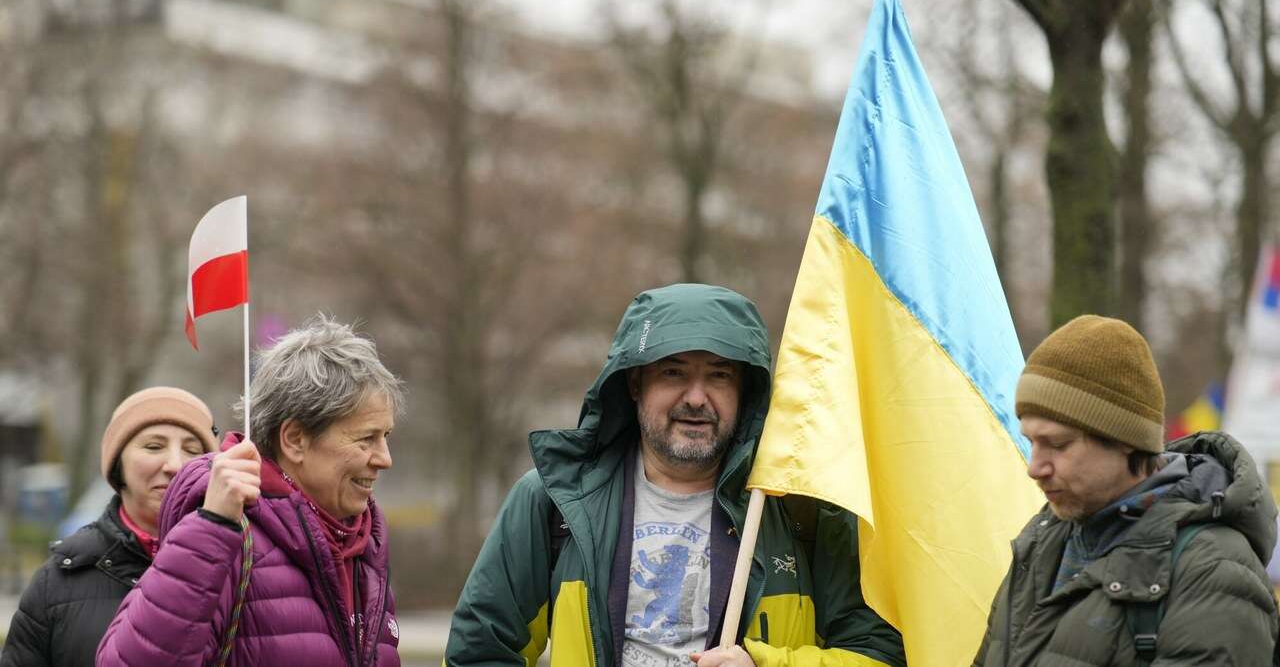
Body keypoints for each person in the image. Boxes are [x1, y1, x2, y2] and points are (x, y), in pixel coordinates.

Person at [446, 283, 905, 667]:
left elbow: (882, 654)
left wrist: (769, 665)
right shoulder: (556, 502)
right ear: (634, 384)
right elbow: (480, 651)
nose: (697, 397)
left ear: (746, 392)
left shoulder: (800, 507)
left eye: (720, 376)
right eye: (673, 372)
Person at [96, 317, 404, 667]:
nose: (385, 459)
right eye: (366, 439)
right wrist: (211, 526)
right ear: (294, 439)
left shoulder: (363, 544)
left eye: (386, 436)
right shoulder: (231, 536)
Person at [973, 315, 1280, 665]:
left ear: (1124, 441)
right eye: (1031, 442)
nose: (1034, 467)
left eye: (1057, 444)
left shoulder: (1213, 573)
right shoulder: (1040, 542)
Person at [0, 386, 219, 667]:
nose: (175, 465)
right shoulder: (57, 581)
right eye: (154, 446)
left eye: (192, 450)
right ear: (118, 465)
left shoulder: (243, 567)